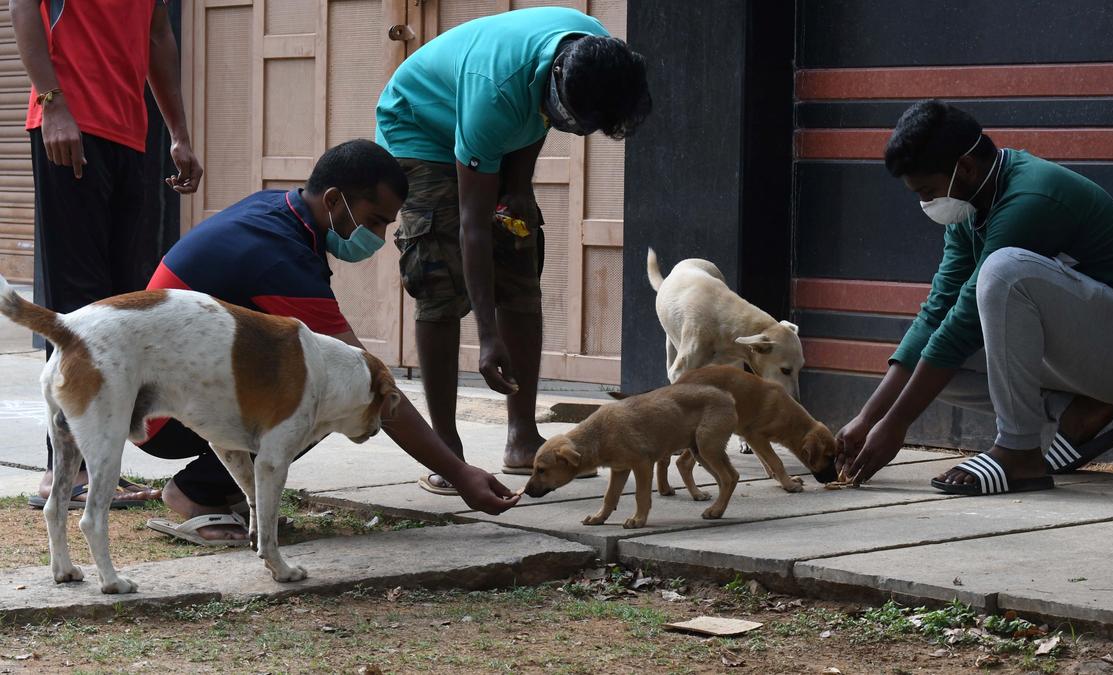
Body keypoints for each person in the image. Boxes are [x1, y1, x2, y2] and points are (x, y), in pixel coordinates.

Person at [138, 139, 516, 542]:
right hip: (157, 416)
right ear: (334, 200)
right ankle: (199, 495)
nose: (378, 236)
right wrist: (460, 474)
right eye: (373, 221)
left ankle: (224, 490)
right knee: (330, 395)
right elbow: (372, 383)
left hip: (158, 392)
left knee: (305, 373)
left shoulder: (276, 210)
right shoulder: (280, 257)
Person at [835, 100, 1113, 496]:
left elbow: (964, 321)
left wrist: (896, 426)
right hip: (1091, 353)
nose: (926, 204)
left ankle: (1018, 452)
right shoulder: (970, 206)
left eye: (929, 191)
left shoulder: (1031, 197)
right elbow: (938, 313)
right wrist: (868, 418)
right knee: (927, 367)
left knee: (1003, 272)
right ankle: (1075, 411)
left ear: (964, 168)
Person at [375, 6, 651, 493]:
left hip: (496, 125)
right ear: (558, 81)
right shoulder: (494, 95)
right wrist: (486, 336)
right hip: (422, 127)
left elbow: (538, 115)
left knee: (521, 265)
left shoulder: (596, 52)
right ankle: (446, 450)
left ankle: (523, 439)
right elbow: (472, 225)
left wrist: (520, 182)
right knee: (439, 274)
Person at [16, 0, 203, 509]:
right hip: (69, 124)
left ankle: (93, 466)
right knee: (77, 307)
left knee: (117, 308)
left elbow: (159, 36)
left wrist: (178, 134)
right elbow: (21, 8)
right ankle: (63, 473)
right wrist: (52, 102)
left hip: (129, 132)